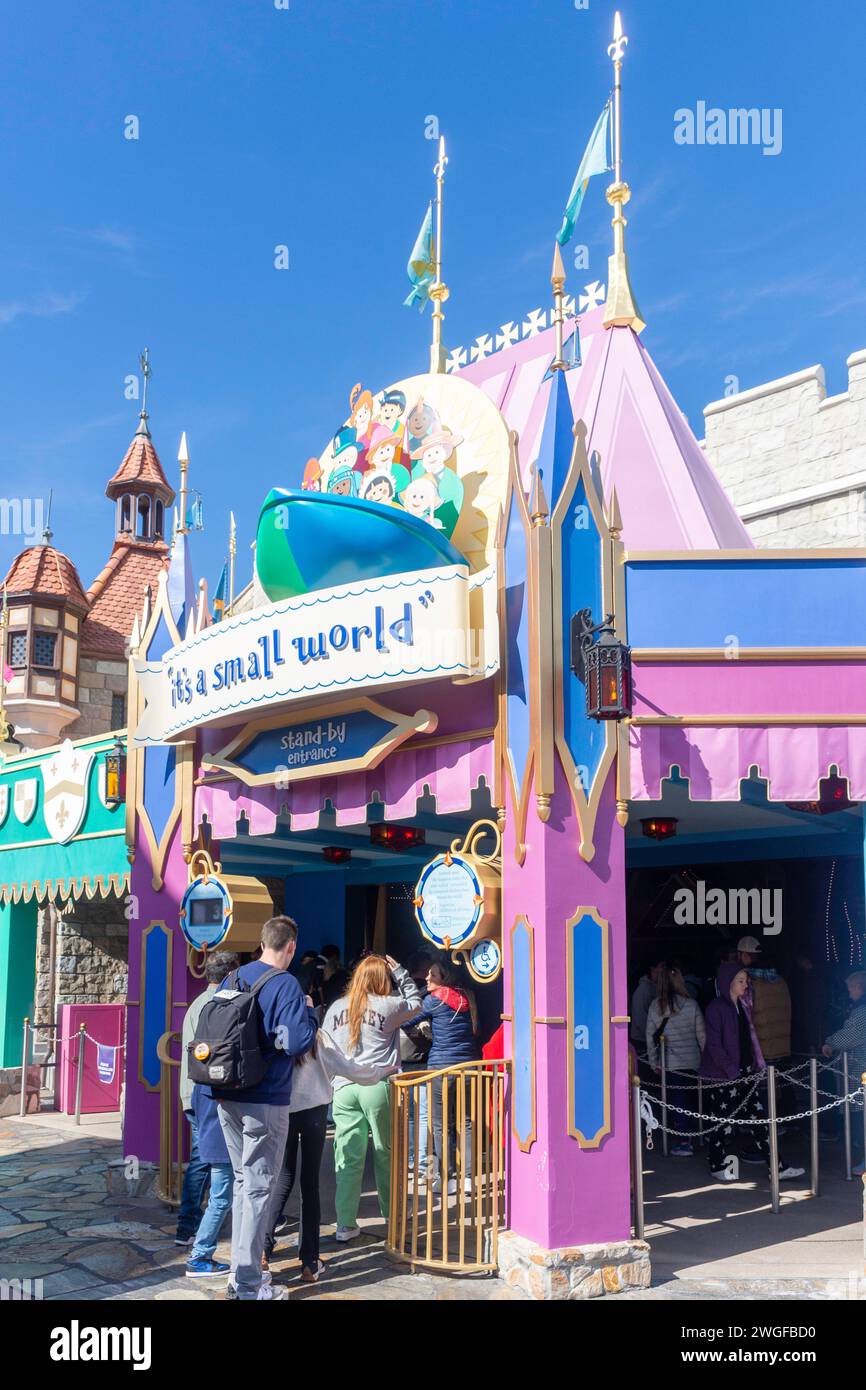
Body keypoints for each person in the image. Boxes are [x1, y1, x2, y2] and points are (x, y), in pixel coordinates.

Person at [211, 916, 319, 1301]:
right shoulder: (286, 984)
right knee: (258, 1189)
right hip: (265, 1100)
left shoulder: (231, 978)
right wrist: (309, 1011)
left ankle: (238, 1275)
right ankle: (248, 1285)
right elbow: (296, 1043)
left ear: (261, 942)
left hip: (226, 1095)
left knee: (244, 1184)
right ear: (290, 946)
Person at [264, 1029, 397, 1282]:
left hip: (282, 1109)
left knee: (281, 1179)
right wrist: (380, 1072)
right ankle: (309, 1262)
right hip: (314, 1112)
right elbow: (348, 1067)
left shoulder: (276, 1031)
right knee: (309, 1184)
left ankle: (263, 1249)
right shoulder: (316, 1036)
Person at [322, 953, 422, 1242]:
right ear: (383, 979)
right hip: (377, 1085)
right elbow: (417, 1003)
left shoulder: (336, 1007)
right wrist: (401, 972)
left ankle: (345, 1224)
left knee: (347, 1157)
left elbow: (325, 1046)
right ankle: (393, 1216)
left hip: (343, 1088)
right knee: (385, 1153)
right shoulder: (388, 1005)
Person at [700, 964, 804, 1184]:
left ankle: (777, 1166)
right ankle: (716, 1165)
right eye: (740, 981)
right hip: (723, 1076)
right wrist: (732, 1071)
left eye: (745, 980)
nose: (745, 984)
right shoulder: (716, 1009)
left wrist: (753, 1066)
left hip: (745, 1072)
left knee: (760, 1121)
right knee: (722, 1123)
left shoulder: (744, 1005)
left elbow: (748, 1039)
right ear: (728, 982)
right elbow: (714, 1046)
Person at [175, 951, 240, 1246]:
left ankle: (195, 1223)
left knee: (203, 1160)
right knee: (205, 1161)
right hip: (207, 1094)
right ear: (230, 973)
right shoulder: (218, 1006)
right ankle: (189, 1225)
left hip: (194, 1093)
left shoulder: (197, 1004)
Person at [422, 960, 481, 1194]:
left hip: (440, 1067)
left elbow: (407, 1020)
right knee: (466, 1121)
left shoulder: (433, 1000)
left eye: (432, 974)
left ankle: (445, 1178)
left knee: (440, 1124)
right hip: (467, 1065)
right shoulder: (468, 997)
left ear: (444, 978)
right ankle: (467, 1178)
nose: (427, 978)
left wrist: (423, 1030)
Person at [646, 963, 706, 1157]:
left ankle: (684, 1142)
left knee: (677, 1102)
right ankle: (698, 1135)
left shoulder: (655, 1007)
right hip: (693, 1061)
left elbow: (650, 1038)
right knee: (693, 1101)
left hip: (670, 1063)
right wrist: (706, 1059)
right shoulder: (691, 1004)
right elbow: (702, 1036)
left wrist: (654, 1063)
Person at [186, 1077, 234, 1278]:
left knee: (219, 1200)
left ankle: (200, 1253)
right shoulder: (223, 1084)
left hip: (212, 1144)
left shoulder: (200, 1083)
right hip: (223, 1147)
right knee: (220, 1201)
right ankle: (200, 1255)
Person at [822, 969, 866, 1175]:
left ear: (859, 987)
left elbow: (850, 1035)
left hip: (861, 1071)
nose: (849, 994)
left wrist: (830, 1043)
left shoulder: (862, 1012)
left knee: (862, 1119)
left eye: (850, 989)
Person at [630, 960, 664, 1054]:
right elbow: (640, 1017)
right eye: (662, 966)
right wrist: (652, 1037)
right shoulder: (643, 989)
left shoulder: (656, 987)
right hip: (642, 1041)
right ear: (652, 969)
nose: (665, 970)